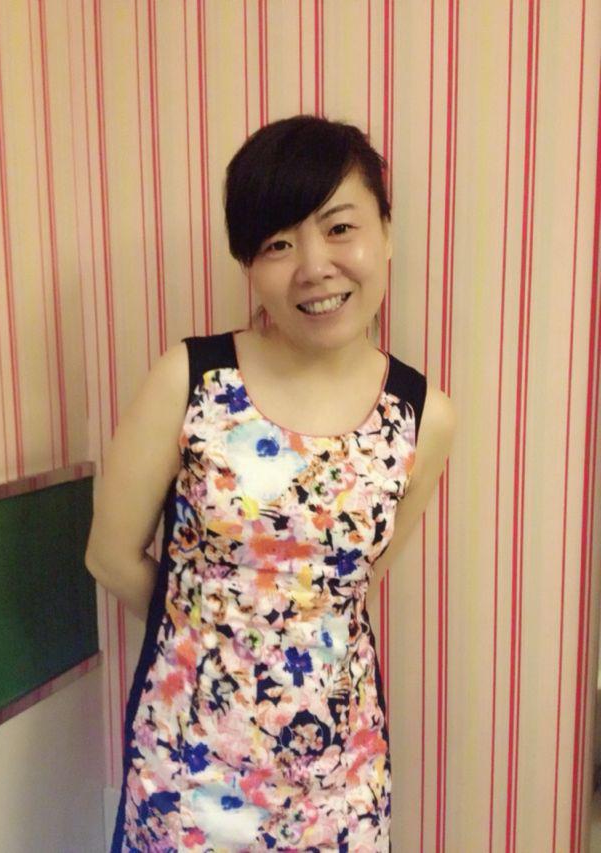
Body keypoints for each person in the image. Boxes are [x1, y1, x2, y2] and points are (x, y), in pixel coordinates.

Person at [86, 114, 456, 852]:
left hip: (341, 780)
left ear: (386, 234)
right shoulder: (191, 379)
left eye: (339, 228)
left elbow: (359, 583)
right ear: (250, 265)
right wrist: (212, 635)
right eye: (279, 243)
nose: (314, 266)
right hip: (188, 770)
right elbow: (111, 555)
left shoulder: (423, 416)